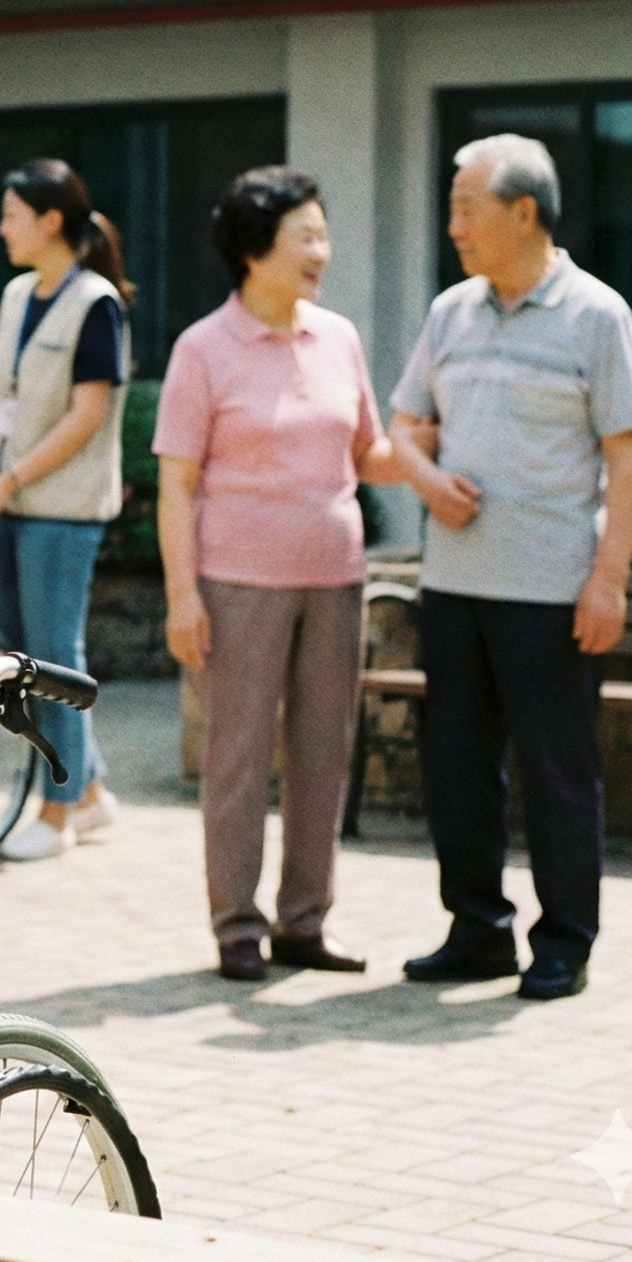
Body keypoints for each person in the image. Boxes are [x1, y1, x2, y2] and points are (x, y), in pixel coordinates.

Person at [388, 134, 632, 1003]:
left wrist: (608, 579)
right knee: (457, 768)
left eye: (468, 206)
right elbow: (403, 425)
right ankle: (477, 932)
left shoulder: (598, 316)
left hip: (550, 593)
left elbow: (627, 458)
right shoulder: (450, 313)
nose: (454, 223)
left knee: (556, 773)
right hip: (455, 588)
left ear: (524, 212)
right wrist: (427, 480)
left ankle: (564, 941)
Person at [155, 167, 407, 983]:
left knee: (324, 753)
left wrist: (447, 457)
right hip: (236, 583)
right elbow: (177, 484)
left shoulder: (338, 338)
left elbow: (369, 450)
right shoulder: (202, 348)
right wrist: (183, 595)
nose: (322, 253)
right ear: (255, 246)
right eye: (308, 235)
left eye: (322, 236)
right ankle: (236, 924)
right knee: (237, 757)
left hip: (335, 578)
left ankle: (304, 922)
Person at [0, 158, 129, 861]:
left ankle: (60, 809)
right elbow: (0, 402)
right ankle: (94, 793)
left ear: (50, 221)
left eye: (12, 214)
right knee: (23, 655)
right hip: (6, 500)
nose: (0, 227)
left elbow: (86, 416)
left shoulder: (96, 302)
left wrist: (9, 480)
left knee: (51, 658)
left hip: (60, 511)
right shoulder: (18, 294)